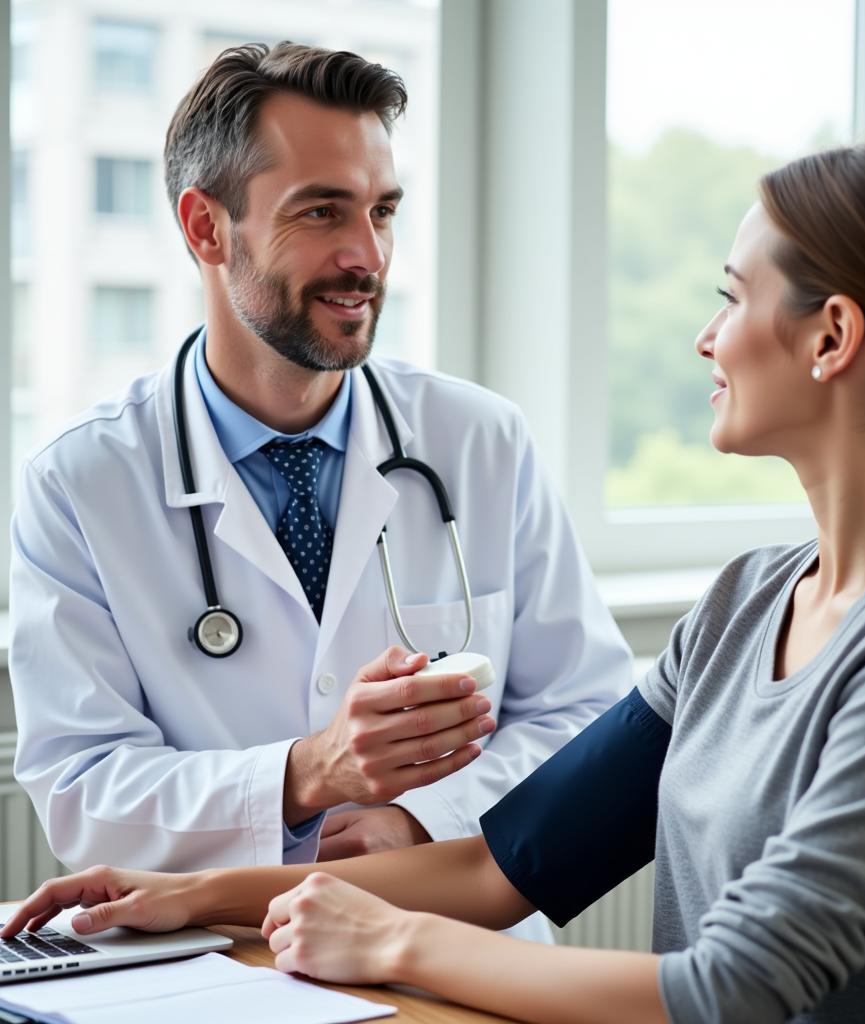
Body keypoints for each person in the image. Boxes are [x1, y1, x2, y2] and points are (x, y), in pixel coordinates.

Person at [7, 136, 865, 1023]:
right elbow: (512, 860)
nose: (706, 337)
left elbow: (730, 990)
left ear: (831, 336)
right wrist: (191, 894)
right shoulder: (748, 600)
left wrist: (391, 942)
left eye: (731, 297)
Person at [7, 43, 631, 945]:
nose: (367, 255)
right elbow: (81, 788)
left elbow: (589, 715)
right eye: (321, 212)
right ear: (206, 228)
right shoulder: (81, 481)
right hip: (219, 961)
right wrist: (307, 774)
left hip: (448, 946)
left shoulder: (478, 440)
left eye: (382, 211)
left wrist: (426, 821)